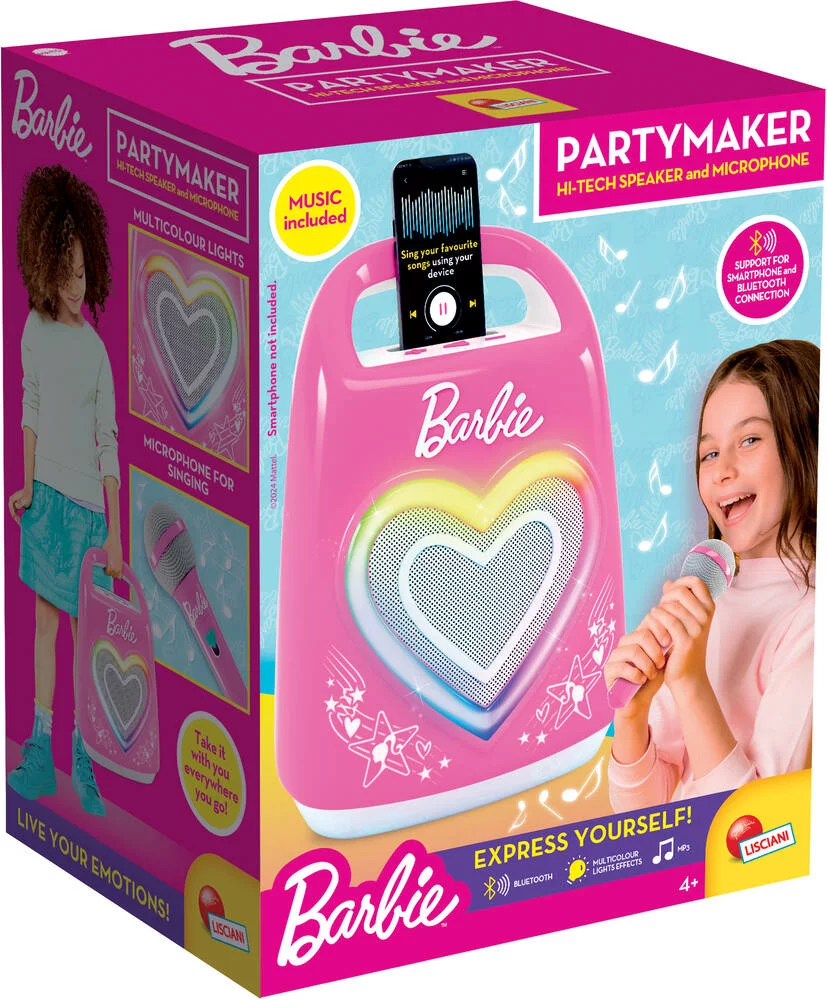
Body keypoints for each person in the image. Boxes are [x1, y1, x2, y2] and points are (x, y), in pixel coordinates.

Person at [605, 339, 817, 810]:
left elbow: (759, 826)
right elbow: (644, 817)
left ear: (807, 445)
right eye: (709, 454)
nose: (722, 471)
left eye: (749, 440)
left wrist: (690, 683)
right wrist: (633, 720)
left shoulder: (810, 618)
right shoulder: (706, 600)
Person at [7, 164, 123, 816]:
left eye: (84, 274)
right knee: (43, 628)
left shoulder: (97, 352)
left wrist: (114, 535)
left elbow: (109, 443)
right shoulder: (34, 330)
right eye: (67, 273)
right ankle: (39, 750)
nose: (78, 287)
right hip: (46, 501)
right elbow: (29, 406)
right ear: (45, 267)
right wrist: (25, 485)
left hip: (87, 514)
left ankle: (83, 756)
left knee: (86, 637)